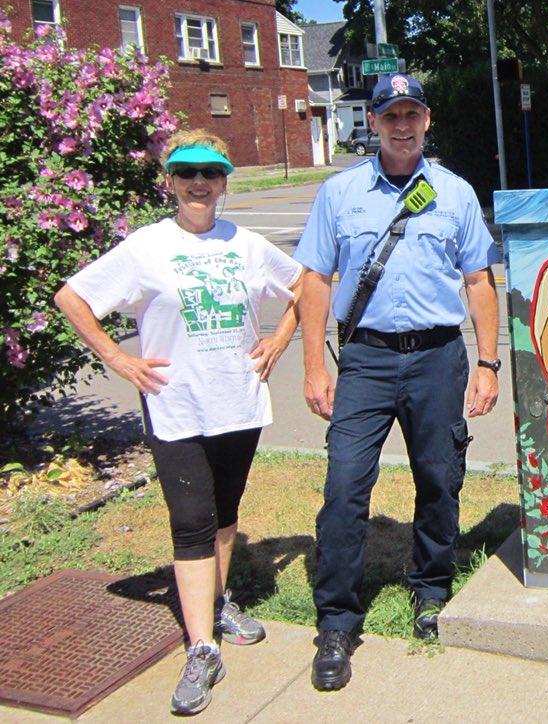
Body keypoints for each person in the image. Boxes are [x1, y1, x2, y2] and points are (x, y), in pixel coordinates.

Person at [54, 130, 302, 716]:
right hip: (175, 403)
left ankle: (217, 604)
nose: (198, 183)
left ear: (223, 182)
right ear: (169, 181)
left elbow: (307, 288)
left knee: (224, 515)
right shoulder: (145, 247)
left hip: (238, 403)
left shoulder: (246, 243)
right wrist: (117, 358)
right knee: (191, 522)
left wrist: (279, 340)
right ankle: (202, 647)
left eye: (210, 173)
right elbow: (73, 298)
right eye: (186, 172)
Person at [294, 73, 500, 692]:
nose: (402, 124)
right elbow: (314, 282)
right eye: (391, 115)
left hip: (439, 358)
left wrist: (487, 363)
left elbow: (479, 282)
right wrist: (313, 366)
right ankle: (336, 620)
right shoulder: (341, 194)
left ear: (427, 120)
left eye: (412, 113)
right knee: (345, 484)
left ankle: (431, 588)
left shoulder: (456, 193)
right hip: (366, 359)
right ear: (374, 123)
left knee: (440, 476)